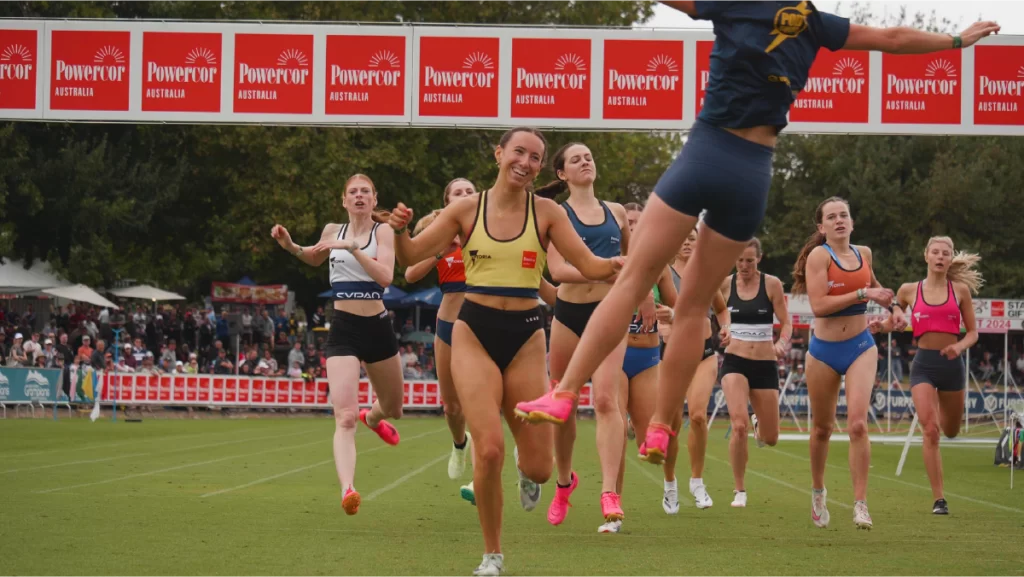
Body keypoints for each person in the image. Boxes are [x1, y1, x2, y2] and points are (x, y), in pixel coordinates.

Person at [514, 0, 999, 479]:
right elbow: (893, 39)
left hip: (705, 153)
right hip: (751, 175)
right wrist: (957, 39)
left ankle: (563, 393)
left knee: (631, 281)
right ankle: (661, 428)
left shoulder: (737, 2)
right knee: (693, 307)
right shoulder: (815, 21)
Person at [386, 127, 622, 577]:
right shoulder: (465, 209)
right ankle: (492, 555)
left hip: (527, 336)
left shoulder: (548, 211)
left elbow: (586, 265)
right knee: (488, 450)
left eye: (536, 157)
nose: (527, 162)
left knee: (538, 467)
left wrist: (618, 265)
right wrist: (398, 232)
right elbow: (412, 254)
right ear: (499, 154)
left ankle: (525, 468)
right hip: (473, 331)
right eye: (519, 151)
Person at [270, 173, 405, 517]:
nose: (359, 196)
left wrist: (355, 250)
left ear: (375, 200)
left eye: (365, 192)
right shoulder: (332, 231)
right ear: (344, 201)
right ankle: (348, 489)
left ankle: (373, 419)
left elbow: (386, 277)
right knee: (343, 418)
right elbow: (314, 257)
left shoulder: (383, 232)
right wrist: (290, 246)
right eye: (353, 192)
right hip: (343, 328)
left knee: (393, 407)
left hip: (377, 326)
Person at [529, 142, 636, 531]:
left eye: (588, 156)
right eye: (575, 159)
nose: (585, 161)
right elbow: (557, 270)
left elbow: (633, 262)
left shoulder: (618, 212)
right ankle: (563, 484)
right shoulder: (557, 214)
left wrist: (630, 284)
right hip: (569, 315)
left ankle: (610, 491)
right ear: (562, 174)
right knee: (563, 403)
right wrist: (605, 268)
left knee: (608, 399)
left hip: (609, 314)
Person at [791, 196, 903, 530]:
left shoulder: (863, 253)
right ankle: (818, 492)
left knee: (857, 424)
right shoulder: (818, 256)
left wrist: (894, 307)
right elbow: (820, 305)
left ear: (852, 223)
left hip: (860, 347)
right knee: (822, 429)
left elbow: (876, 287)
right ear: (821, 227)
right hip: (823, 350)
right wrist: (863, 295)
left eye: (845, 215)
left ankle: (860, 504)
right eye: (832, 217)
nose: (840, 220)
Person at [881, 236, 980, 515]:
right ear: (926, 256)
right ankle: (939, 499)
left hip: (951, 366)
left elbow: (972, 333)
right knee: (931, 431)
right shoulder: (909, 290)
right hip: (923, 364)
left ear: (950, 259)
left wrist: (958, 347)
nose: (939, 257)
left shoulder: (959, 290)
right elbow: (895, 319)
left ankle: (947, 425)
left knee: (950, 430)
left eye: (945, 253)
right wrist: (882, 326)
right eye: (935, 252)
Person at [403, 178, 480, 501]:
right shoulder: (441, 234)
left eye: (469, 191)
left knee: (479, 402)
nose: (464, 196)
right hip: (448, 323)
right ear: (447, 202)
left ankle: (480, 479)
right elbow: (409, 274)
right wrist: (440, 251)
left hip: (481, 323)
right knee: (452, 407)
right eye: (457, 193)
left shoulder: (490, 229)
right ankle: (458, 445)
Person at [658, 223, 729, 513]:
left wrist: (727, 329)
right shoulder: (661, 273)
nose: (687, 243)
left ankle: (697, 481)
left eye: (692, 239)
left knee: (698, 416)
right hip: (670, 355)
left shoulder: (707, 272)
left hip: (704, 351)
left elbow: (722, 309)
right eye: (682, 238)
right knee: (672, 425)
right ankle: (670, 484)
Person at [718, 237, 791, 507]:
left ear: (759, 258)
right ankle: (739, 490)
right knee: (738, 426)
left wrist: (782, 342)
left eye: (750, 260)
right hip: (735, 361)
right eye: (739, 260)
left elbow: (787, 322)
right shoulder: (725, 285)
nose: (744, 265)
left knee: (770, 439)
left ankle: (759, 423)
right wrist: (722, 333)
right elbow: (716, 317)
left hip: (764, 363)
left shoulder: (771, 284)